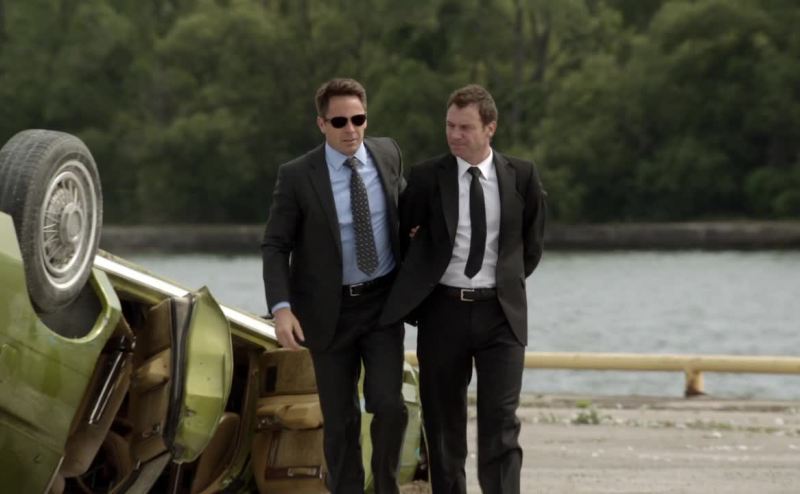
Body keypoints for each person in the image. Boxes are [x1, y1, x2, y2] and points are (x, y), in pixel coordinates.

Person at [380, 84, 546, 494]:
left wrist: (501, 285)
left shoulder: (522, 176)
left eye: (465, 127)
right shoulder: (425, 178)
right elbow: (402, 241)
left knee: (501, 422)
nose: (454, 134)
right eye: (450, 125)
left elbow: (529, 248)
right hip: (443, 313)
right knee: (442, 427)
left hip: (500, 315)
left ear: (490, 128)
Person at [262, 78, 408, 494]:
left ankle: (386, 486)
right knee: (341, 420)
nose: (351, 129)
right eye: (340, 121)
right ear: (321, 124)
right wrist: (281, 308)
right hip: (328, 312)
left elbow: (407, 208)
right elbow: (275, 245)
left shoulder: (388, 153)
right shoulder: (297, 176)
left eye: (358, 119)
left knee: (389, 406)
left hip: (382, 305)